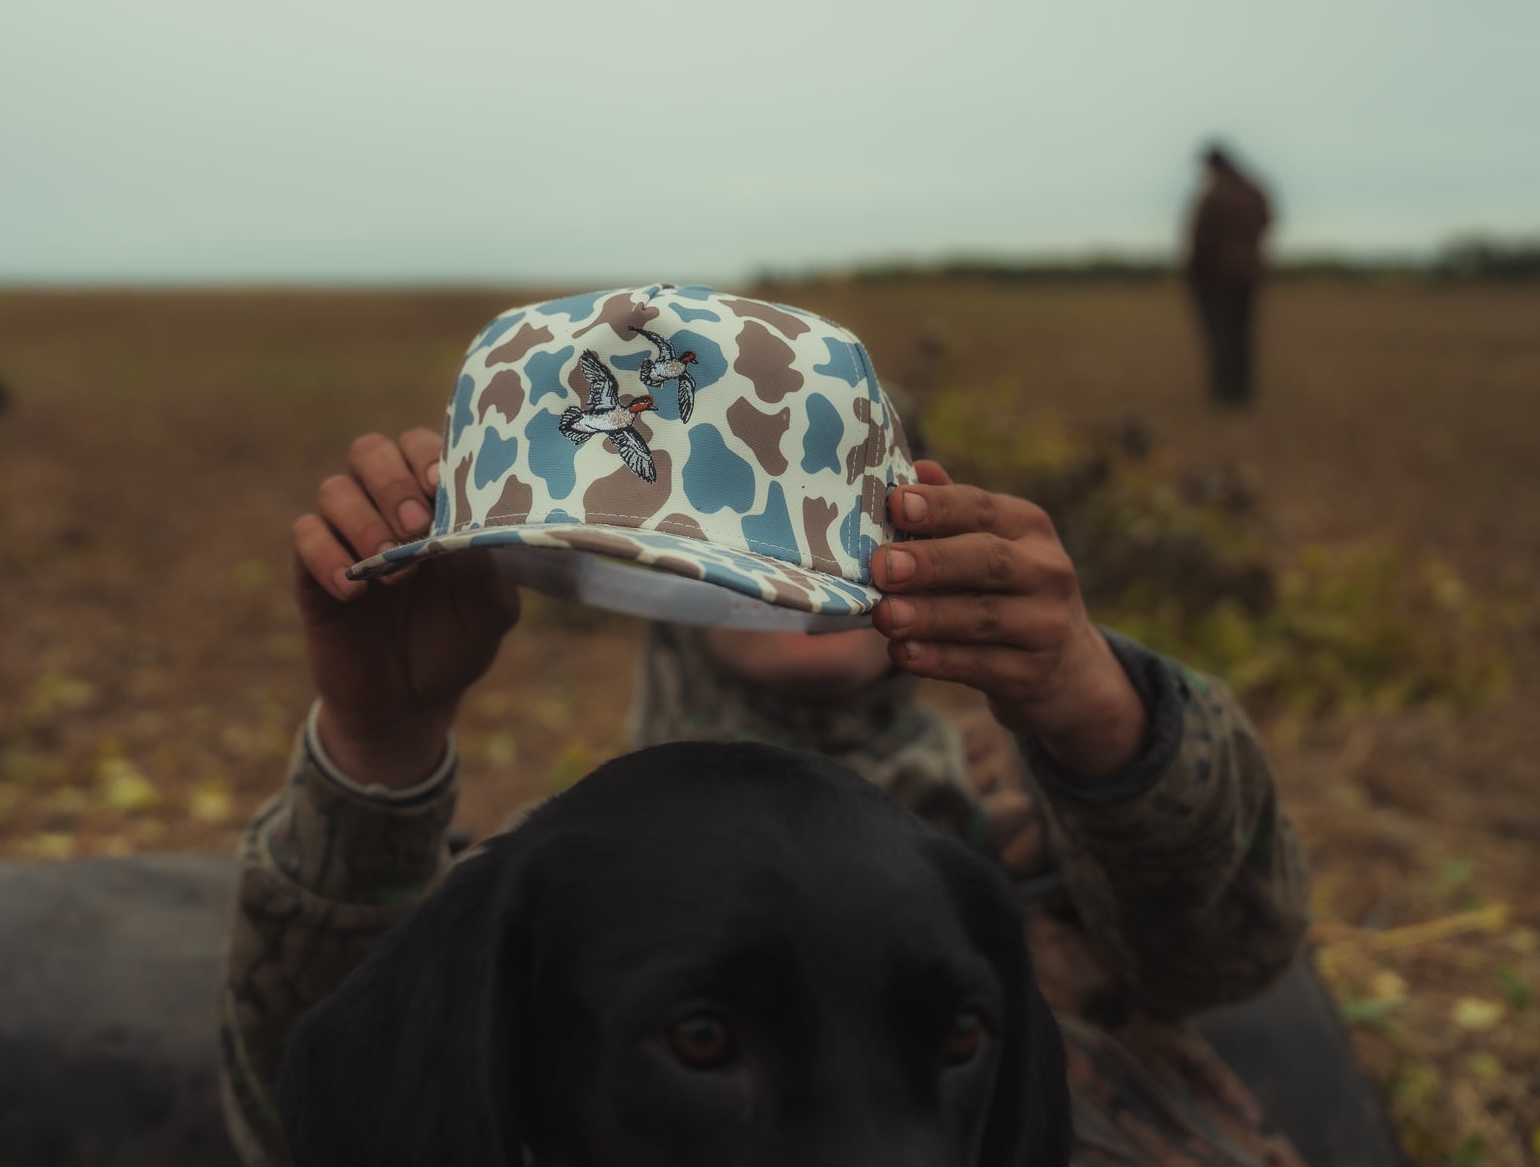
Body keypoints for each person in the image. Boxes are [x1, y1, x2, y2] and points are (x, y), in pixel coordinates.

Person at [218, 288, 1312, 1166]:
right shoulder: (573, 894)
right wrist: (374, 749)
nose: (780, 599)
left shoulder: (1026, 833)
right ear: (647, 587)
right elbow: (316, 1126)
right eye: (700, 1039)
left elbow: (1233, 951)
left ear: (913, 520)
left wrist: (1103, 716)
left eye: (804, 516)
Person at [1185, 143, 1275, 406]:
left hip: (1217, 277)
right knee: (1242, 334)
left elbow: (1199, 238)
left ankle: (1224, 394)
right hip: (1250, 274)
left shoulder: (1214, 194)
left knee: (1220, 335)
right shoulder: (1254, 190)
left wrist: (1196, 270)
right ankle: (1243, 391)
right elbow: (1268, 220)